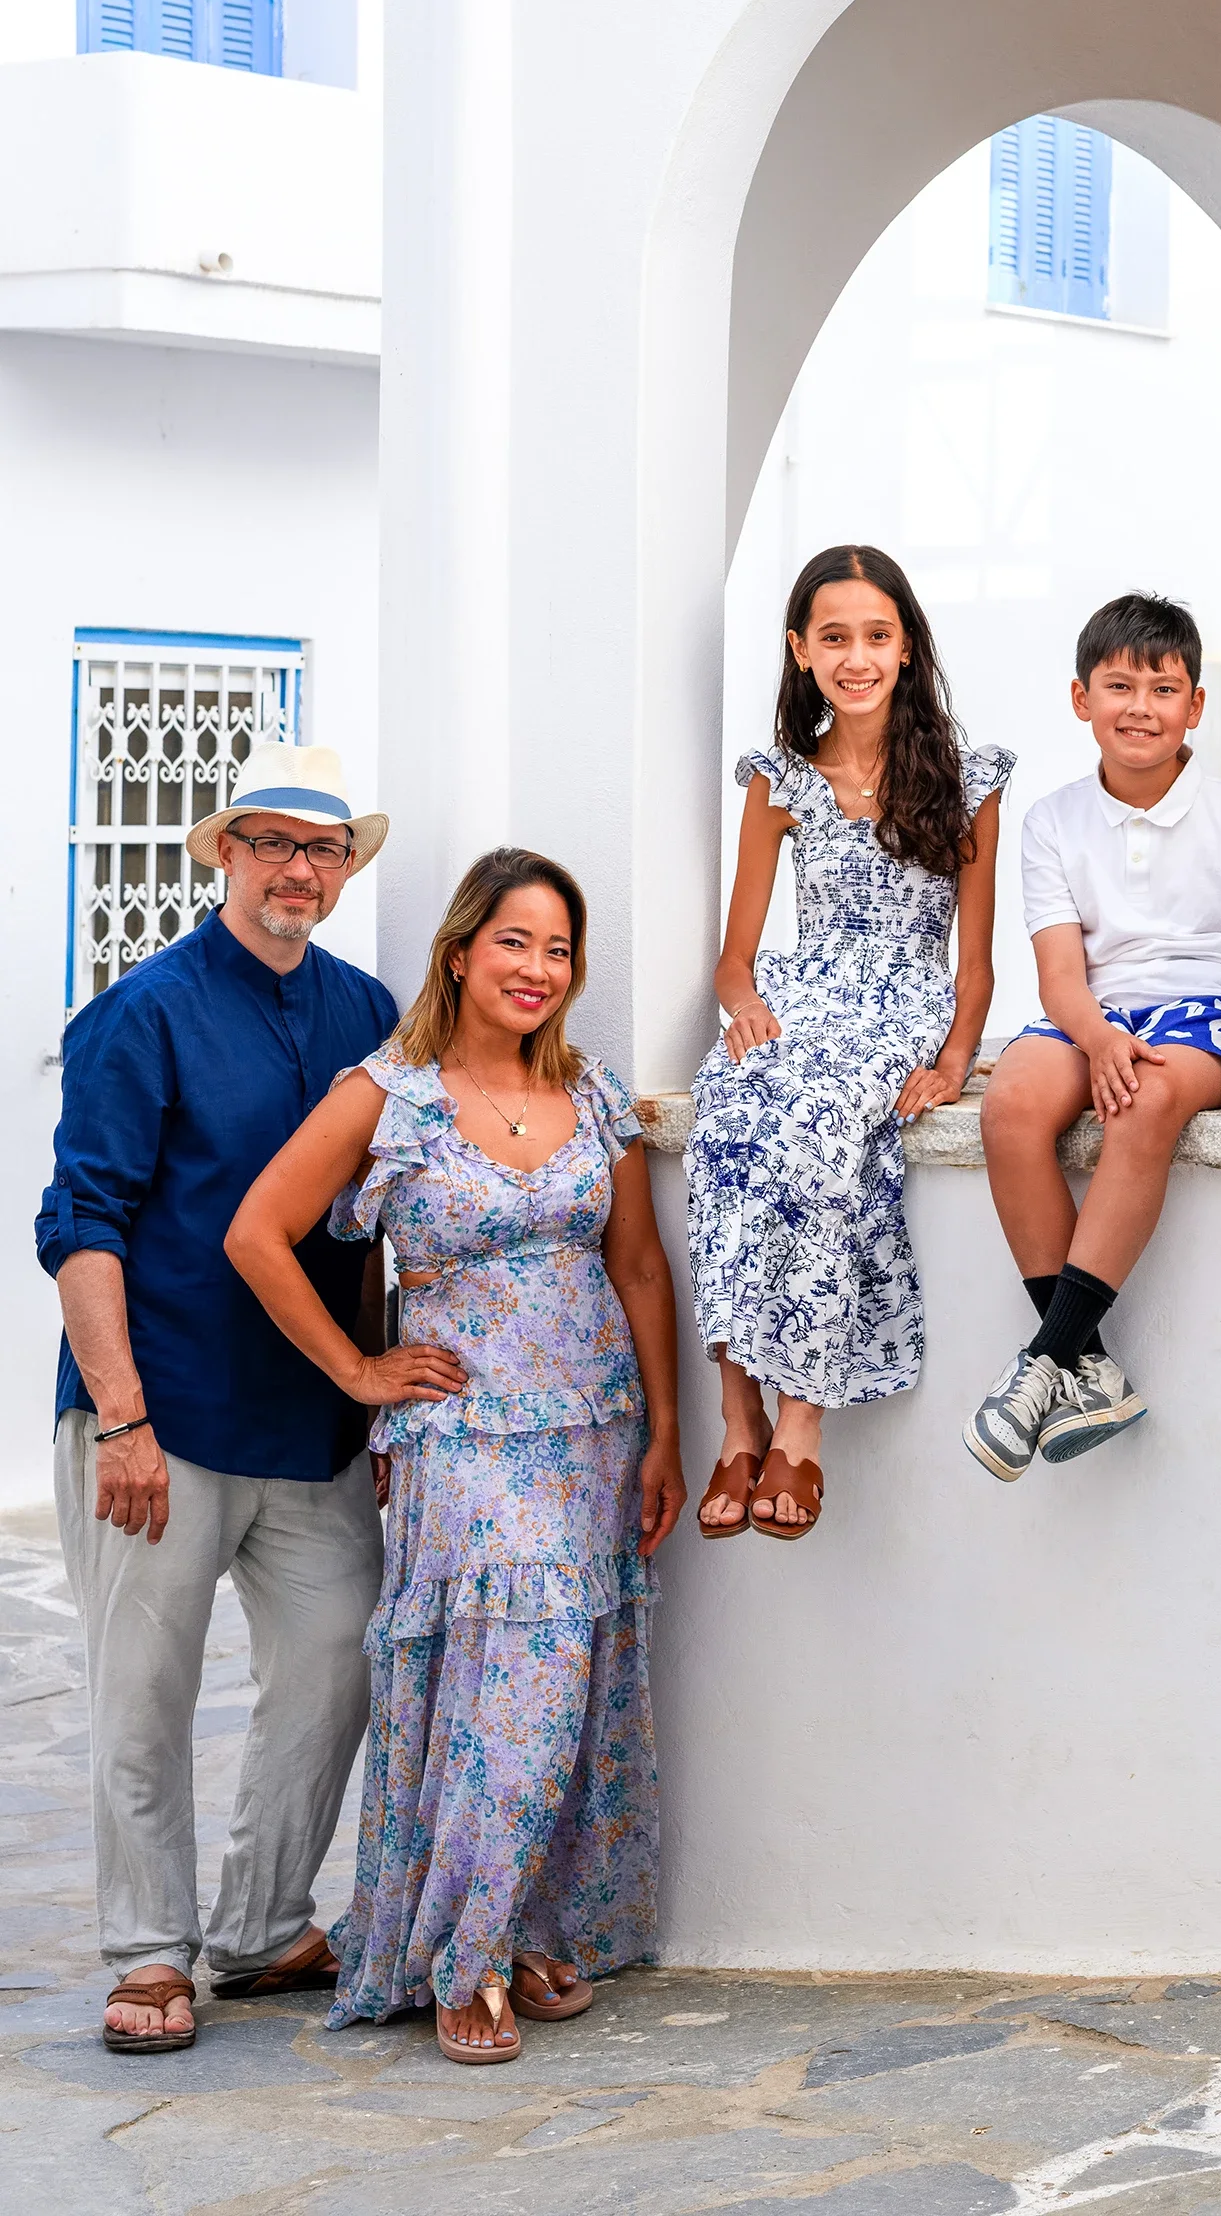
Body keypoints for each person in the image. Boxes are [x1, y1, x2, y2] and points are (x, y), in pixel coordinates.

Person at [225, 846, 683, 2067]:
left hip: (589, 1430)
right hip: (465, 1443)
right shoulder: (390, 1093)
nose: (537, 968)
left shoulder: (593, 1095)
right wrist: (357, 1370)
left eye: (558, 949)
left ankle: (518, 1920)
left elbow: (640, 1269)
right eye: (514, 942)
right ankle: (463, 1952)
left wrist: (664, 1434)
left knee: (553, 1690)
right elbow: (258, 1232)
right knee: (515, 1685)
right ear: (460, 951)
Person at [35, 742, 397, 2056]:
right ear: (227, 854)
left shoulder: (371, 1014)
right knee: (144, 1690)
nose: (300, 870)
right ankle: (148, 1952)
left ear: (345, 869)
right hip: (163, 1416)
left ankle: (260, 1927)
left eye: (324, 849)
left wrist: (383, 1402)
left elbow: (379, 1227)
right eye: (274, 844)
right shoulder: (141, 1013)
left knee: (336, 1662)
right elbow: (81, 1225)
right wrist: (121, 1420)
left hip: (312, 1421)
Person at [686, 544, 1012, 1541]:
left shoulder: (966, 779)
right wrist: (743, 1007)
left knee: (823, 1129)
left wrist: (953, 1060)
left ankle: (801, 1424)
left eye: (876, 635)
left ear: (906, 647)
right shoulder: (779, 780)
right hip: (801, 995)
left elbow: (975, 963)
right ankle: (738, 1415)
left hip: (902, 1002)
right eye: (833, 638)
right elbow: (734, 959)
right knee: (725, 1117)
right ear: (800, 650)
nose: (855, 657)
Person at [964, 593, 1221, 1480]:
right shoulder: (1054, 820)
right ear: (1082, 699)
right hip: (1093, 1010)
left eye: (1164, 689)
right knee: (1009, 1104)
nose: (1141, 708)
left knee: (1146, 1101)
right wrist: (1097, 1035)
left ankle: (1043, 1361)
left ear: (1196, 705)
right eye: (1119, 686)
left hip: (1212, 1005)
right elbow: (1059, 977)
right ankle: (1089, 1369)